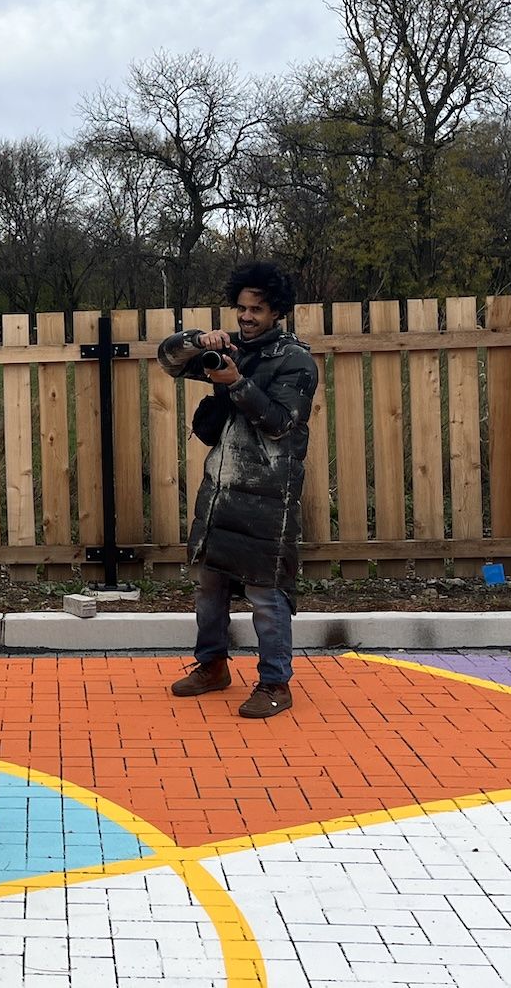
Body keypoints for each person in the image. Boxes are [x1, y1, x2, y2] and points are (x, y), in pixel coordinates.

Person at [156, 261, 319, 719]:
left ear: (277, 311)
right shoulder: (230, 348)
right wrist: (195, 341)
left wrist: (238, 384)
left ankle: (275, 683)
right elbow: (167, 360)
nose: (246, 317)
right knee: (208, 585)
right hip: (221, 490)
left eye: (257, 310)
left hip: (269, 497)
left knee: (266, 596)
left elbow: (281, 423)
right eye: (242, 308)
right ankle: (212, 666)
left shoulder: (295, 361)